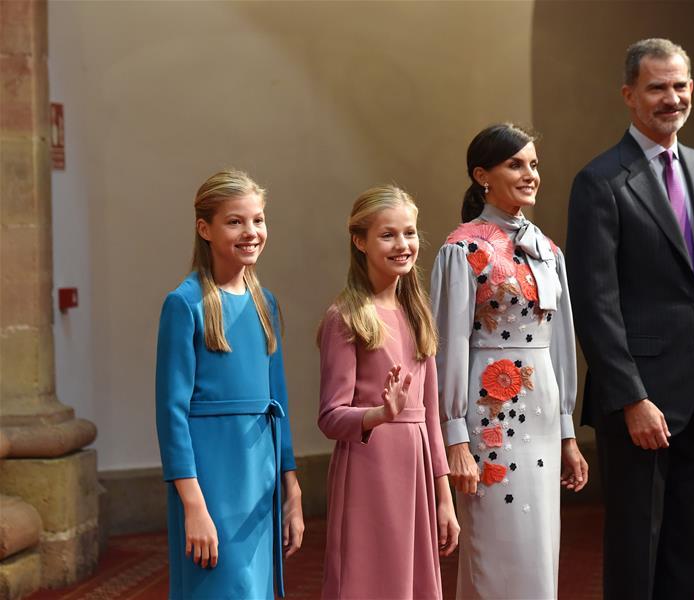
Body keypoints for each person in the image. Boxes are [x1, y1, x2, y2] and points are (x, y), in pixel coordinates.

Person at [566, 39, 694, 600]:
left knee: (687, 536)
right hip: (639, 400)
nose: (672, 98)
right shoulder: (600, 181)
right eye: (657, 87)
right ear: (628, 95)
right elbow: (595, 302)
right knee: (636, 541)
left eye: (681, 85)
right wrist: (630, 398)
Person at [431, 123, 588, 599]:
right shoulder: (463, 249)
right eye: (515, 164)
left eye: (534, 164)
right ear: (483, 176)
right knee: (496, 544)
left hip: (542, 410)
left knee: (539, 543)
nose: (530, 174)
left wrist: (568, 431)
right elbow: (447, 347)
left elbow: (561, 342)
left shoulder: (548, 249)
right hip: (489, 415)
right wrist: (454, 435)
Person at [156, 169, 304, 599]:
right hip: (211, 480)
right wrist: (194, 506)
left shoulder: (265, 303)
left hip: (261, 477)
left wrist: (291, 488)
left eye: (258, 220)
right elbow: (171, 415)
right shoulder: (184, 304)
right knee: (220, 587)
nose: (251, 232)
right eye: (235, 221)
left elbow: (279, 401)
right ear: (205, 228)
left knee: (254, 590)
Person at [317, 185, 459, 600]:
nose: (403, 245)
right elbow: (329, 416)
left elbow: (431, 419)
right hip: (368, 469)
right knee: (367, 581)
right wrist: (378, 413)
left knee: (411, 585)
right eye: (388, 235)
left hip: (416, 470)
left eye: (410, 233)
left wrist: (443, 496)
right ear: (360, 241)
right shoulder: (345, 317)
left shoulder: (417, 314)